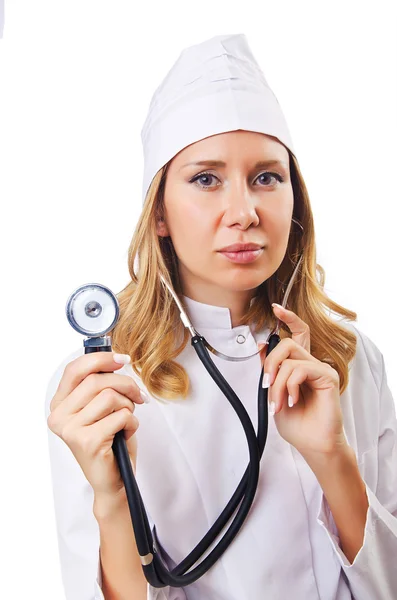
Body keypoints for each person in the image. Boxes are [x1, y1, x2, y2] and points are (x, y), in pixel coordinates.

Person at [45, 33, 397, 600]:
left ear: (294, 199)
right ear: (159, 212)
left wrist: (332, 460)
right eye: (206, 179)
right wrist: (112, 502)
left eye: (266, 177)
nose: (244, 213)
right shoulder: (105, 384)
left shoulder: (352, 358)